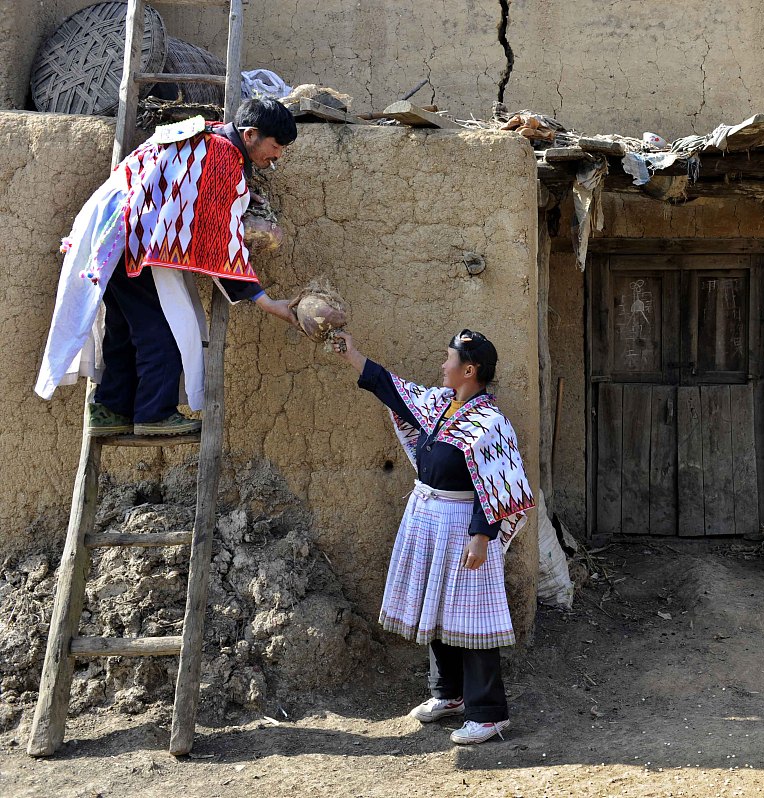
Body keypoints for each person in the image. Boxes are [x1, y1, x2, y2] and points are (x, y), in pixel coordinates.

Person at [35, 99, 300, 434]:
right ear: (250, 135)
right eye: (275, 147)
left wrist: (241, 191)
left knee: (125, 328)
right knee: (164, 330)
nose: (276, 157)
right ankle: (153, 415)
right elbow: (219, 237)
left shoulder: (206, 133)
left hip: (111, 237)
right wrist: (265, 300)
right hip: (138, 245)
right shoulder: (222, 156)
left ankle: (110, 410)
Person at [330, 328, 534, 745]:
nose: (443, 366)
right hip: (428, 516)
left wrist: (481, 536)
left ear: (469, 369)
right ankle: (449, 695)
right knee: (438, 604)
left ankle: (490, 713)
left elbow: (496, 485)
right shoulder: (440, 405)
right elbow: (393, 389)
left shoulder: (491, 424)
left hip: (466, 526)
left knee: (474, 618)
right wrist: (353, 354)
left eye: (449, 359)